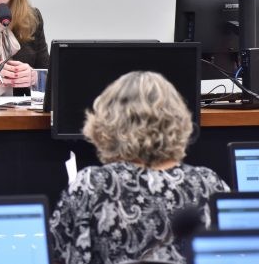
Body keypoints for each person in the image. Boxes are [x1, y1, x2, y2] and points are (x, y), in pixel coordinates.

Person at [49, 71, 229, 264]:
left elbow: (59, 255)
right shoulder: (209, 183)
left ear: (107, 124)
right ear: (179, 121)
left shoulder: (92, 185)